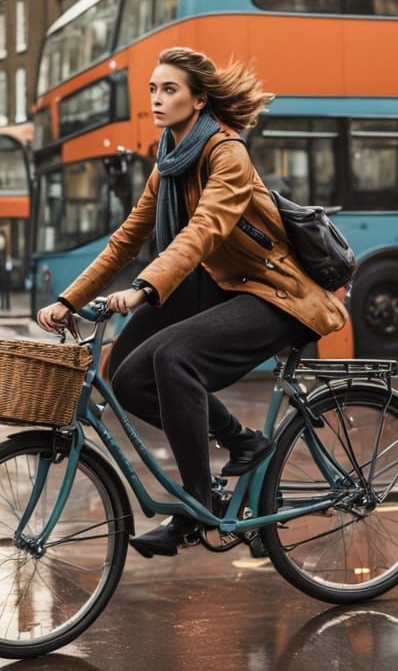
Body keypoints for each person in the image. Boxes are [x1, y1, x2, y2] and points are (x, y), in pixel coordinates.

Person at [37, 47, 348, 558]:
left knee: (172, 358)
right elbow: (126, 241)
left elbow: (204, 231)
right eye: (153, 90)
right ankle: (242, 440)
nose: (157, 99)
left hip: (275, 292)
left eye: (170, 89)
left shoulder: (227, 155)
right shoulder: (169, 164)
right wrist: (70, 299)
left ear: (199, 100)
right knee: (126, 378)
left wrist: (143, 289)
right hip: (223, 285)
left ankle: (197, 506)